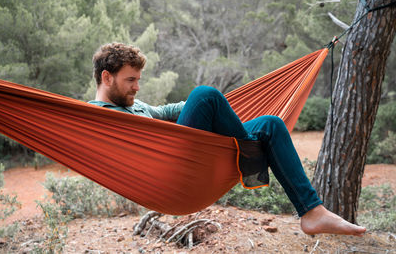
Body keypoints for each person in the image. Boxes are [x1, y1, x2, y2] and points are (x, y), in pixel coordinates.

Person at [88, 42, 366, 237]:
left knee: (271, 124)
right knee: (205, 94)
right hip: (169, 178)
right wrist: (208, 102)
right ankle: (255, 160)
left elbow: (169, 111)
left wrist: (223, 108)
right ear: (106, 77)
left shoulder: (138, 106)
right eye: (131, 80)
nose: (137, 87)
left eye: (138, 80)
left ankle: (311, 212)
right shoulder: (95, 117)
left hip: (188, 160)